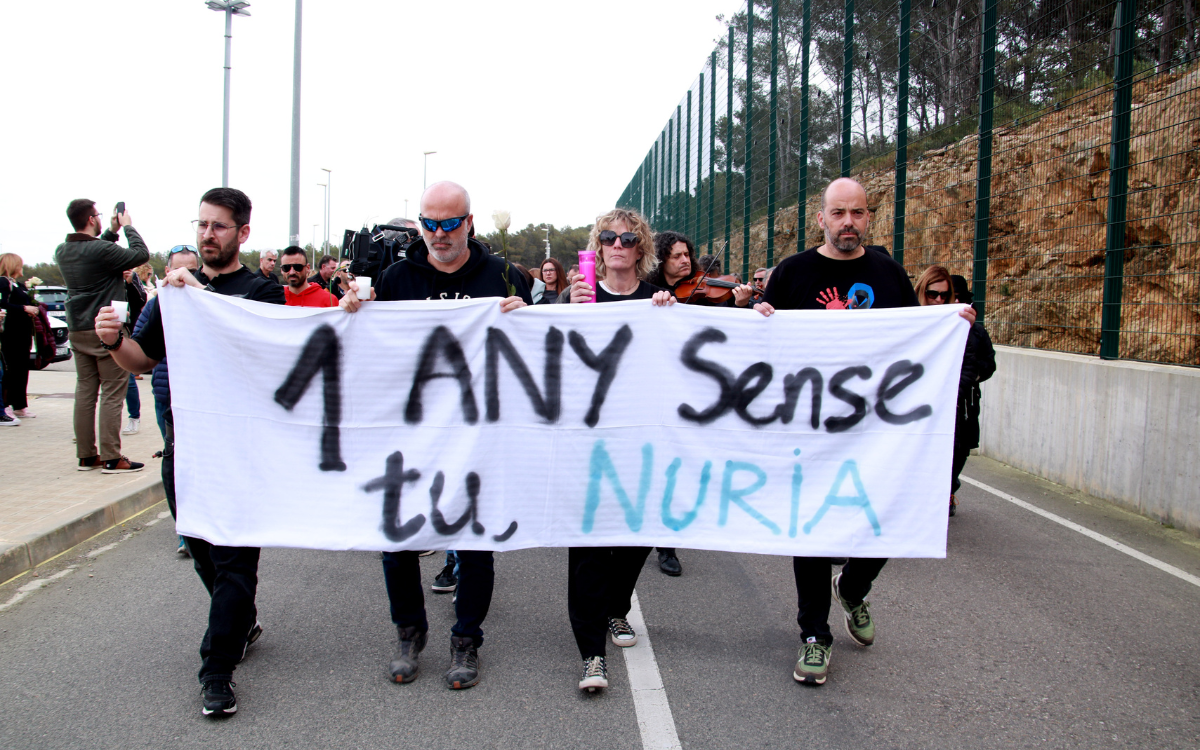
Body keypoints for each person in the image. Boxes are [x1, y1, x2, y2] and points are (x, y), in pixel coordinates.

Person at [754, 177, 976, 687]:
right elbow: (760, 347)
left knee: (891, 514)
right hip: (807, 426)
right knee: (808, 527)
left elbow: (914, 342)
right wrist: (759, 316)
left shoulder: (889, 274)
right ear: (822, 219)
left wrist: (950, 322)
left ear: (869, 217)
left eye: (857, 213)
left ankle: (853, 587)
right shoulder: (792, 272)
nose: (848, 222)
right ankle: (814, 635)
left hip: (875, 428)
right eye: (838, 213)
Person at [95, 187, 284, 718]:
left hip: (241, 452)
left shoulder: (262, 293)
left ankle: (216, 671)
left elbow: (260, 357)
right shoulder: (170, 296)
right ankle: (241, 621)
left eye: (219, 226)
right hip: (184, 447)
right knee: (200, 549)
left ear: (243, 233)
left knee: (233, 563)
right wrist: (112, 339)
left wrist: (198, 291)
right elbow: (138, 359)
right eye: (202, 224)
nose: (207, 234)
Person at [341, 180, 531, 690]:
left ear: (469, 222)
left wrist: (526, 317)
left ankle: (466, 637)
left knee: (475, 539)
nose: (439, 234)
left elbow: (535, 349)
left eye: (450, 223)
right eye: (430, 223)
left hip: (479, 431)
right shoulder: (398, 276)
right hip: (412, 431)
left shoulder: (503, 275)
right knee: (397, 535)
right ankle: (409, 630)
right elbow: (371, 347)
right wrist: (354, 313)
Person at [559, 208, 676, 692]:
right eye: (609, 238)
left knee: (639, 532)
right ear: (598, 246)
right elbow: (551, 352)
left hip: (643, 439)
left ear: (641, 247)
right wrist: (563, 309)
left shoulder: (656, 301)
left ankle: (616, 608)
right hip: (589, 439)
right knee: (588, 544)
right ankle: (591, 654)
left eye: (628, 239)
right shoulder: (580, 297)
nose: (618, 246)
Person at [55, 200, 149, 473]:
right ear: (91, 218)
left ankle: (86, 456)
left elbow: (96, 248)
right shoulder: (99, 249)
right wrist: (127, 226)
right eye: (97, 215)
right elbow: (140, 253)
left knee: (85, 391)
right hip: (106, 326)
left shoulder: (63, 250)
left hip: (78, 328)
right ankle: (111, 456)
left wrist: (110, 230)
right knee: (112, 390)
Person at [133, 245, 201, 555]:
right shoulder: (158, 304)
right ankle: (186, 531)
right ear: (166, 273)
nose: (185, 275)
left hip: (203, 397)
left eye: (193, 270)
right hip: (169, 396)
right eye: (179, 269)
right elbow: (140, 346)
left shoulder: (210, 300)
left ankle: (205, 524)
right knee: (176, 464)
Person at [916, 267, 996, 516]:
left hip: (958, 405)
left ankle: (946, 492)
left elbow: (981, 365)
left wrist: (954, 391)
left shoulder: (971, 329)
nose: (940, 300)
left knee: (957, 451)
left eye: (946, 295)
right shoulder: (907, 319)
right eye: (932, 294)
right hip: (914, 404)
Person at [0, 254, 39, 420]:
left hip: (23, 333)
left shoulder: (20, 285)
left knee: (22, 369)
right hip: (11, 332)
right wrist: (24, 308)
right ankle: (6, 404)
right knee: (11, 369)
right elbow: (3, 305)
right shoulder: (3, 282)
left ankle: (20, 405)